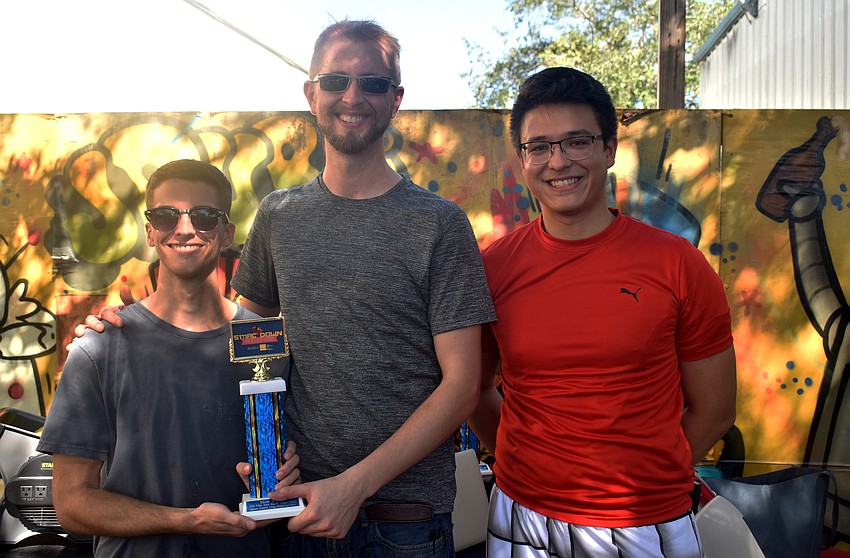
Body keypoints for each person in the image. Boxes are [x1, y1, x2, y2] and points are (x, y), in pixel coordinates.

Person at [77, 20, 496, 558]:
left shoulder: (439, 223)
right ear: (311, 94)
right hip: (293, 515)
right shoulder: (280, 215)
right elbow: (240, 332)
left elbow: (462, 387)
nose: (352, 96)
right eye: (335, 80)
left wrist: (354, 486)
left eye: (372, 83)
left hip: (404, 522)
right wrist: (131, 330)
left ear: (395, 100)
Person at [468, 67, 737, 558]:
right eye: (540, 146)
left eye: (577, 141)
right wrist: (526, 460)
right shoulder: (493, 266)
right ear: (523, 158)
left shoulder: (678, 263)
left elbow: (715, 411)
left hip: (647, 520)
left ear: (609, 149)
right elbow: (474, 388)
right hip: (521, 515)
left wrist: (647, 475)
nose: (558, 161)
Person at [38, 160, 300, 557]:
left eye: (204, 216)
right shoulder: (100, 347)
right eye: (165, 216)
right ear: (150, 233)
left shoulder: (268, 344)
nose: (184, 228)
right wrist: (185, 520)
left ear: (226, 232)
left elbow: (294, 468)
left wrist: (282, 474)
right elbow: (72, 504)